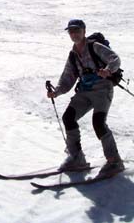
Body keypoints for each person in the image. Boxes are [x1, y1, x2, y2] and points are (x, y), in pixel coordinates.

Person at [47, 19, 125, 177]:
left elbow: (114, 58)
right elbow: (68, 77)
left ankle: (114, 161)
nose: (74, 34)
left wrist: (108, 70)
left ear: (84, 31)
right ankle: (77, 158)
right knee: (68, 118)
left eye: (77, 30)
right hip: (84, 92)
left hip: (103, 90)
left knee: (98, 123)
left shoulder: (94, 46)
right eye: (71, 31)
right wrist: (57, 91)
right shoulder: (73, 55)